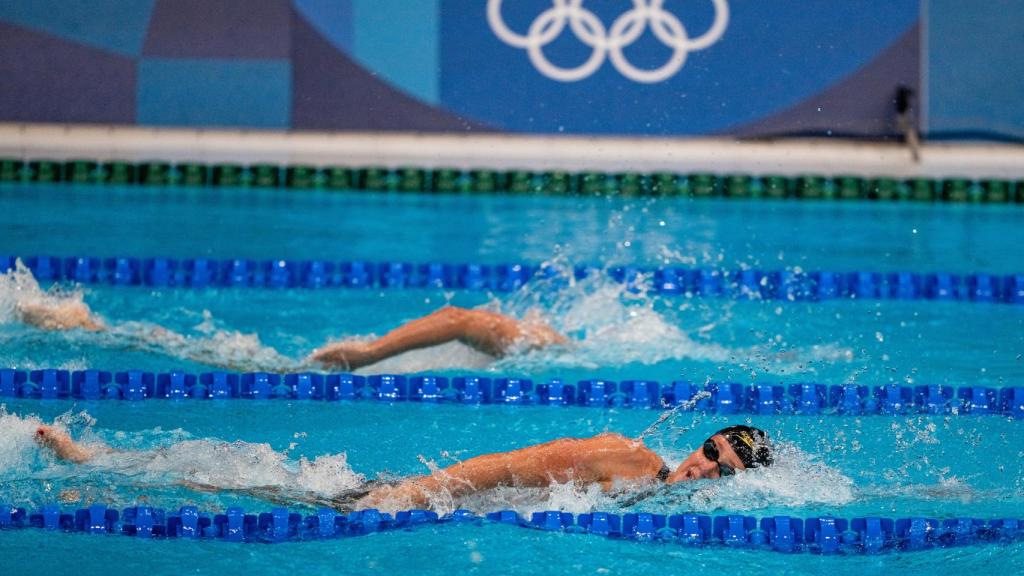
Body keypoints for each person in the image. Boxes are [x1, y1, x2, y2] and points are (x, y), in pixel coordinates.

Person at [33, 424, 773, 511]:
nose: (708, 469)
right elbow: (510, 465)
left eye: (726, 470)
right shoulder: (627, 458)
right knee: (274, 493)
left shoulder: (683, 509)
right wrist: (422, 491)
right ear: (697, 441)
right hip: (436, 497)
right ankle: (97, 469)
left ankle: (100, 472)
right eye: (711, 450)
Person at [16, 292, 565, 370]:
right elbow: (456, 318)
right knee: (263, 365)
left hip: (391, 372)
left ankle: (99, 327)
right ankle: (94, 327)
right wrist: (370, 353)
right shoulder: (537, 343)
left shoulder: (542, 339)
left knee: (248, 361)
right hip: (364, 364)